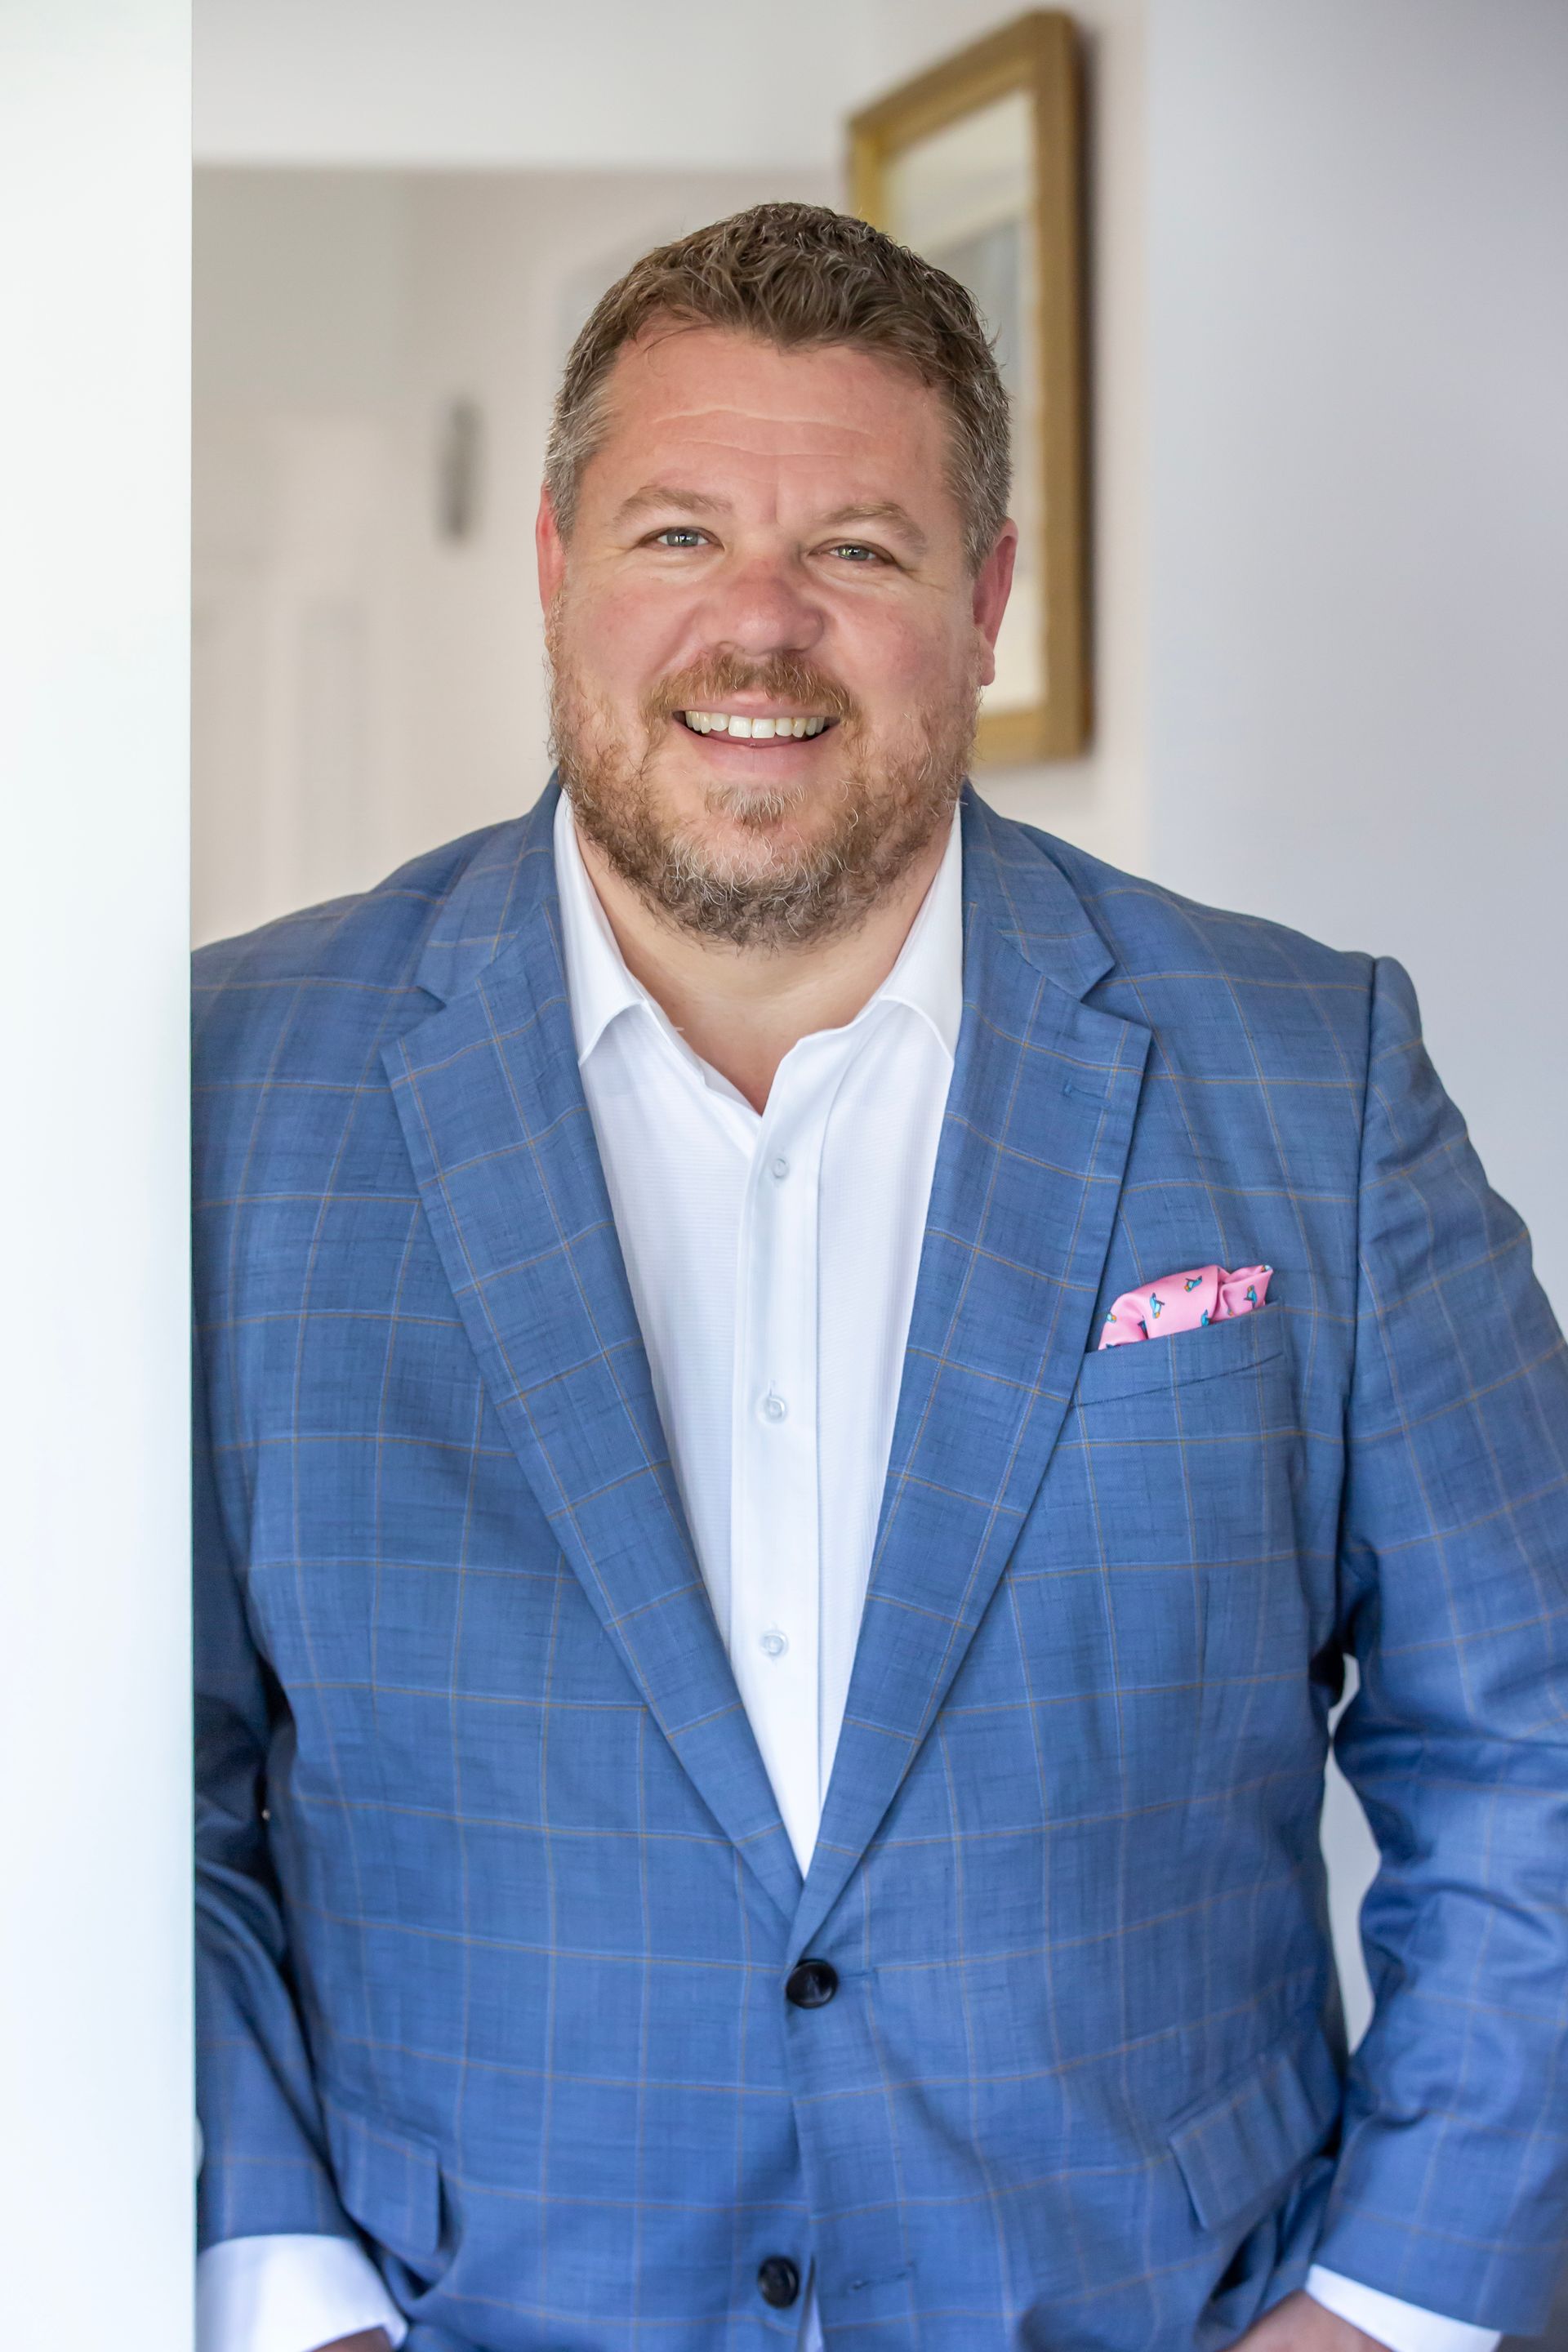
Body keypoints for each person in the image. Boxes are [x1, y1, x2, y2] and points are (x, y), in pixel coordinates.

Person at [192, 203, 1568, 2352]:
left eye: (858, 548)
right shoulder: (232, 1090)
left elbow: (1532, 1747)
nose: (760, 628)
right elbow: (115, 1781)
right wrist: (285, 2300)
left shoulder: (1311, 1076)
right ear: (552, 568)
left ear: (987, 599)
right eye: (673, 537)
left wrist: (1397, 2310)